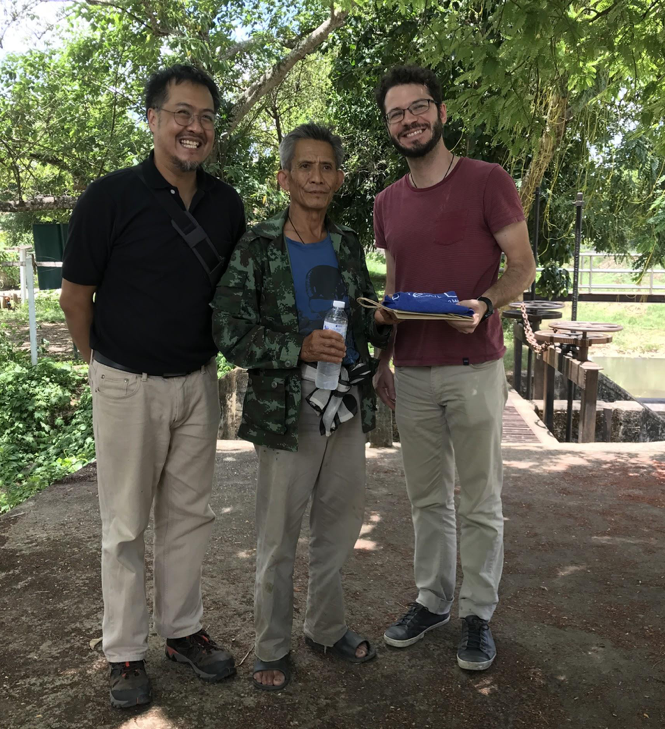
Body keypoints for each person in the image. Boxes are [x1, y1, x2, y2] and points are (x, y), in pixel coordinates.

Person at [59, 64, 245, 708]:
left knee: (190, 518)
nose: (194, 128)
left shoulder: (226, 205)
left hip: (198, 381)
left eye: (205, 118)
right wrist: (100, 367)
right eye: (182, 114)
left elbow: (230, 295)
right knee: (124, 524)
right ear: (154, 120)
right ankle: (125, 652)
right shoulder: (109, 198)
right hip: (125, 382)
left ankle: (183, 631)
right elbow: (75, 297)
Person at [212, 123, 396, 691]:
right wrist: (295, 348)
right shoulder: (258, 246)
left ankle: (325, 627)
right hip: (286, 408)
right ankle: (270, 647)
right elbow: (227, 328)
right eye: (306, 167)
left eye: (327, 168)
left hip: (344, 399)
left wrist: (382, 318)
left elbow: (360, 315)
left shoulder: (344, 244)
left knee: (339, 526)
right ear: (284, 176)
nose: (317, 177)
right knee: (278, 532)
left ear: (338, 178)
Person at [371, 65, 536, 671]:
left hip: (473, 364)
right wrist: (384, 353)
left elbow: (522, 264)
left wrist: (487, 303)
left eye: (418, 108)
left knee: (480, 499)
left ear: (439, 112)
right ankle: (432, 599)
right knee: (426, 499)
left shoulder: (488, 181)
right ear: (388, 125)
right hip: (411, 371)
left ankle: (477, 614)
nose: (409, 120)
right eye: (396, 113)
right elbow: (395, 284)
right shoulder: (385, 203)